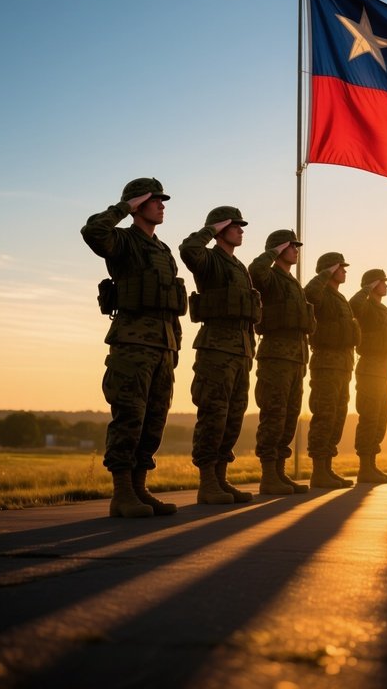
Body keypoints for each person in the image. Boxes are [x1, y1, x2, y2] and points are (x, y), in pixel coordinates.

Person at [81, 178, 186, 518]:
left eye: (161, 200)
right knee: (130, 416)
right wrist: (124, 207)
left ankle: (140, 488)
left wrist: (175, 347)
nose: (161, 204)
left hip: (162, 346)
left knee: (155, 420)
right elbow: (92, 231)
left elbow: (171, 303)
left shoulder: (163, 250)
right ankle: (122, 493)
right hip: (132, 344)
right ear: (138, 204)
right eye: (154, 199)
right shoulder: (123, 240)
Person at [179, 206, 260, 505]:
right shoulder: (209, 259)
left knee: (234, 417)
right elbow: (188, 250)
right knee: (214, 414)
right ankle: (207, 482)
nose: (241, 230)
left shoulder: (239, 266)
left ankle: (221, 478)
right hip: (216, 348)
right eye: (235, 225)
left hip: (241, 350)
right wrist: (211, 229)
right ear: (221, 227)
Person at [249, 229, 314, 495]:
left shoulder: (293, 282)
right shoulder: (271, 277)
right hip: (276, 357)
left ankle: (279, 472)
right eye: (291, 246)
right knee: (274, 415)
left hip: (296, 359)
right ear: (279, 248)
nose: (296, 250)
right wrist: (273, 251)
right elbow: (255, 270)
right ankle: (268, 475)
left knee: (289, 417)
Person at [304, 253, 360, 489]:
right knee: (324, 415)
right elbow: (309, 296)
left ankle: (327, 467)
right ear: (330, 269)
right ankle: (318, 471)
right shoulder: (322, 293)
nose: (345, 271)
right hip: (326, 364)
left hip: (343, 364)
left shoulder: (340, 298)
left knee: (337, 417)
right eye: (341, 267)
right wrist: (324, 274)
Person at [349, 269, 387, 483]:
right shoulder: (366, 305)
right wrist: (366, 289)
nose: (386, 286)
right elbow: (353, 306)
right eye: (382, 282)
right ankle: (364, 468)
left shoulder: (385, 311)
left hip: (385, 371)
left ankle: (371, 464)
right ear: (373, 284)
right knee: (369, 418)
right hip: (370, 370)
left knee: (381, 420)